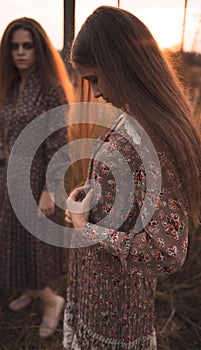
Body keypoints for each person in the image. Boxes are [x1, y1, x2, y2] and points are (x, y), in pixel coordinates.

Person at [63, 6, 201, 350]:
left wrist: (86, 228)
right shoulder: (131, 116)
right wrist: (93, 191)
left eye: (94, 78)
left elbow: (166, 253)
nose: (94, 92)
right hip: (97, 293)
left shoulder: (154, 138)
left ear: (120, 65)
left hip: (117, 311)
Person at [0, 17, 74, 338]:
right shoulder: (9, 89)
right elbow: (3, 139)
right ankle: (31, 290)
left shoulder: (50, 90)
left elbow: (60, 144)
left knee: (36, 244)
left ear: (39, 50)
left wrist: (50, 190)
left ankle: (51, 300)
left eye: (28, 46)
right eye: (14, 47)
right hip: (11, 177)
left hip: (37, 178)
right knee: (14, 239)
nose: (20, 53)